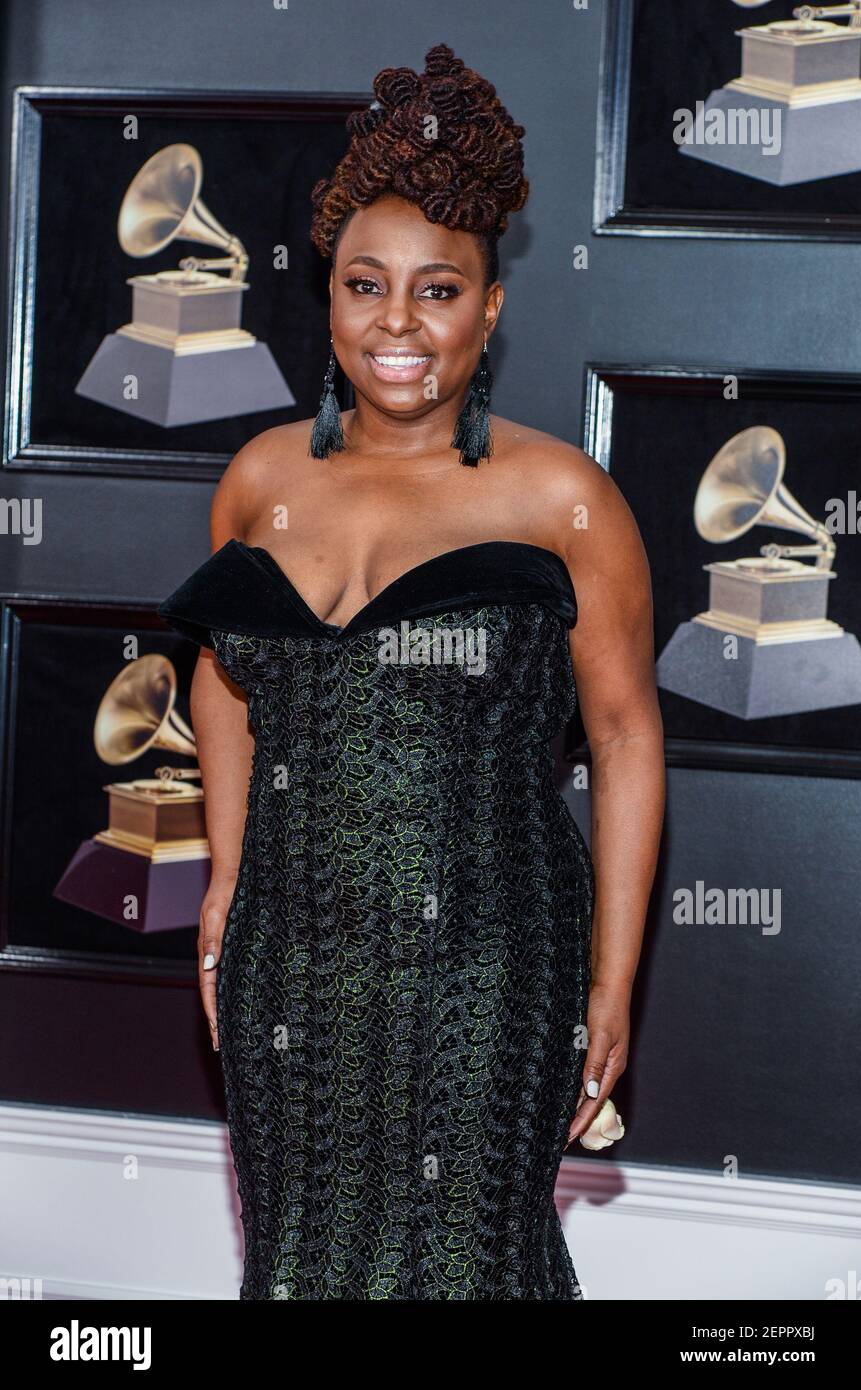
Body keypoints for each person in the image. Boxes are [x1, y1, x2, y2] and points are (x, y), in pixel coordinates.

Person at [158, 41, 664, 1300]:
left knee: (463, 1262)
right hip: (293, 956)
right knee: (301, 1259)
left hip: (490, 960)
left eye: (437, 290)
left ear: (490, 306)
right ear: (325, 299)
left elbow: (624, 737)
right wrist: (226, 881)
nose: (396, 324)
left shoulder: (563, 498)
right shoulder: (260, 481)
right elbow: (226, 675)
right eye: (364, 286)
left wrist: (611, 980)